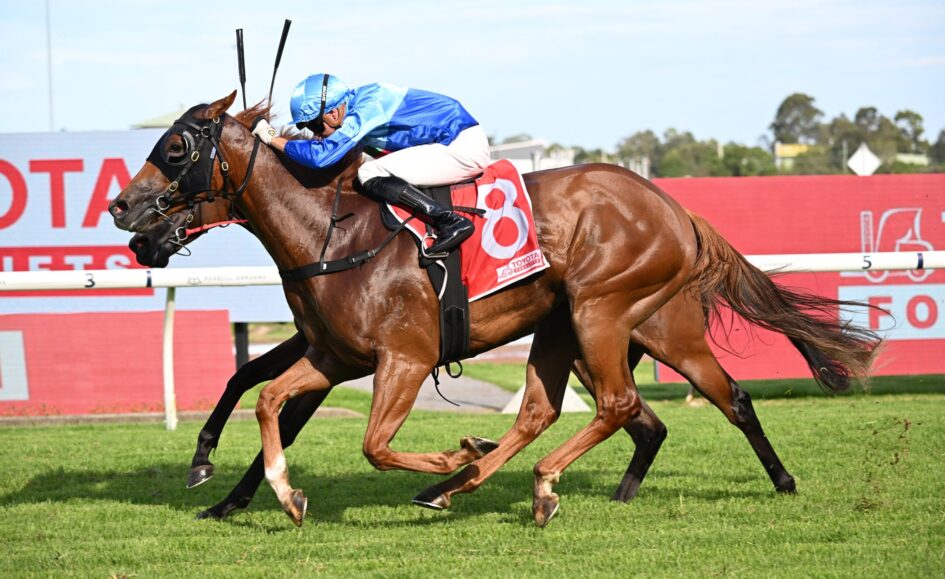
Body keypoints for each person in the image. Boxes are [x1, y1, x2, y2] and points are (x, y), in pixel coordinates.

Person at [252, 73, 491, 256]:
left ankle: (450, 221)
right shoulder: (357, 107)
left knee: (369, 172)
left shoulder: (369, 105)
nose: (316, 134)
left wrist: (272, 138)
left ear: (333, 114)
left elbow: (320, 157)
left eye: (315, 126)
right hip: (448, 143)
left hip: (460, 145)